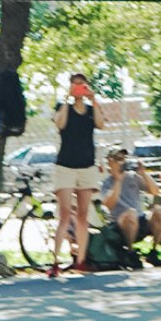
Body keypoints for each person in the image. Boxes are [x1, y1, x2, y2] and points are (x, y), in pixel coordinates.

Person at [48, 72, 106, 276]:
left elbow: (101, 124)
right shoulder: (62, 107)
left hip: (87, 166)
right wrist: (67, 99)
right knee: (65, 214)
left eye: (82, 85)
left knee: (83, 215)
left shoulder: (91, 110)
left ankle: (81, 260)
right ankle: (55, 261)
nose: (79, 88)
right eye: (75, 85)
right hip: (66, 166)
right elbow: (60, 124)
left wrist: (93, 99)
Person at [99, 148, 161, 267]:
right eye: (118, 159)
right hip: (120, 222)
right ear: (110, 161)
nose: (122, 162)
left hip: (139, 219)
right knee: (130, 213)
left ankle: (154, 250)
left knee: (159, 211)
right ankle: (130, 252)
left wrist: (143, 173)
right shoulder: (106, 183)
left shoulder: (133, 177)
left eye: (123, 159)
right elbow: (108, 205)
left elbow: (155, 191)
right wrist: (118, 180)